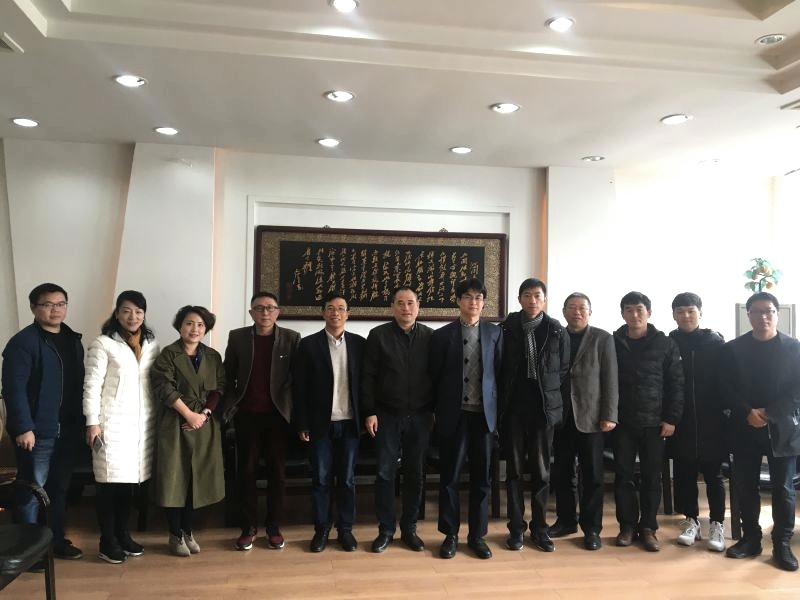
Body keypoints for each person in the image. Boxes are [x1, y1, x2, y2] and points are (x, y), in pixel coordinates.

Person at [2, 283, 85, 564]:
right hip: (37, 432)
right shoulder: (23, 343)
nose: (55, 310)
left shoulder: (73, 340)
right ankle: (29, 552)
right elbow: (13, 389)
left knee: (58, 490)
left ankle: (56, 540)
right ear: (34, 308)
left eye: (60, 304)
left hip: (68, 430)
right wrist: (23, 427)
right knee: (31, 491)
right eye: (48, 304)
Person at [721, 292, 800, 571]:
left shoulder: (794, 348)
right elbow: (724, 386)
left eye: (769, 311)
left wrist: (770, 413)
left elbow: (797, 389)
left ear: (777, 314)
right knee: (745, 485)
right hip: (744, 426)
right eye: (756, 311)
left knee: (783, 488)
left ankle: (782, 543)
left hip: (783, 427)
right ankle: (751, 538)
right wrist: (747, 412)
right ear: (749, 315)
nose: (763, 316)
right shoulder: (733, 349)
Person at [83, 290, 159, 564]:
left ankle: (123, 535)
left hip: (141, 426)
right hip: (110, 425)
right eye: (126, 311)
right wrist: (92, 422)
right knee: (108, 484)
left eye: (138, 311)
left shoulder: (151, 345)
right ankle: (107, 541)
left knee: (129, 485)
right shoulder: (103, 344)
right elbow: (92, 385)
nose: (132, 316)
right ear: (116, 313)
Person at [430, 278, 502, 559]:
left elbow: (499, 372)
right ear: (458, 301)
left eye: (478, 297)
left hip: (484, 417)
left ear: (483, 303)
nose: (473, 302)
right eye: (468, 297)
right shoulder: (442, 335)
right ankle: (450, 535)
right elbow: (434, 377)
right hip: (454, 416)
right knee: (449, 477)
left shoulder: (495, 333)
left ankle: (477, 536)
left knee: (482, 478)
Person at [223, 292, 300, 551]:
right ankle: (248, 527)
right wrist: (231, 406)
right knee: (246, 472)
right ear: (251, 312)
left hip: (278, 417)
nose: (265, 313)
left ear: (278, 312)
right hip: (247, 415)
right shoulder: (238, 337)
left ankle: (274, 526)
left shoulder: (291, 338)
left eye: (270, 308)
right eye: (259, 308)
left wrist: (292, 410)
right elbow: (228, 375)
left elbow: (297, 379)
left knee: (277, 473)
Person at [362, 285, 433, 553]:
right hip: (386, 415)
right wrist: (369, 411)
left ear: (418, 306)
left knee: (415, 473)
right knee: (385, 473)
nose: (406, 308)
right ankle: (385, 530)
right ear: (392, 306)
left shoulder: (430, 337)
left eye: (410, 303)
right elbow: (368, 376)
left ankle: (409, 529)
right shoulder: (378, 335)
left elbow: (437, 376)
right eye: (400, 303)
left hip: (421, 415)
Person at [500, 278, 569, 553]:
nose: (532, 300)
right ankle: (516, 528)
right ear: (519, 299)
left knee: (542, 472)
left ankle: (540, 528)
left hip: (543, 411)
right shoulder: (506, 328)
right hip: (514, 411)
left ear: (545, 299)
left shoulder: (556, 330)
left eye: (537, 295)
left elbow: (562, 369)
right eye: (527, 295)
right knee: (514, 472)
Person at [293, 292, 365, 553]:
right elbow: (299, 387)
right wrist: (302, 423)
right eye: (331, 308)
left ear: (348, 314)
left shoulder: (360, 344)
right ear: (323, 312)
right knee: (321, 480)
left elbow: (366, 385)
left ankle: (345, 530)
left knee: (347, 480)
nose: (336, 313)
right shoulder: (308, 345)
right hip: (320, 424)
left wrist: (368, 414)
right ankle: (321, 530)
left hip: (350, 423)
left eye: (341, 308)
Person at [151, 305, 225, 557]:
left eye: (200, 325)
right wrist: (189, 415)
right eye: (189, 323)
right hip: (175, 422)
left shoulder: (213, 356)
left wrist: (203, 415)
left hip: (204, 424)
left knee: (197, 479)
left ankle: (187, 530)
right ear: (180, 326)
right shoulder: (168, 354)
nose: (195, 329)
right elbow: (164, 387)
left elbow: (219, 389)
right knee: (175, 479)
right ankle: (174, 534)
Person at [613, 291, 683, 552]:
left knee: (652, 477)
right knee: (623, 476)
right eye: (629, 310)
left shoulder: (665, 344)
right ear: (622, 314)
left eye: (639, 310)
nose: (634, 315)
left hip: (655, 423)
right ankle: (627, 526)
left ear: (649, 313)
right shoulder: (613, 342)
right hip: (622, 422)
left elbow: (676, 383)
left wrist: (671, 418)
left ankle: (649, 528)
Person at [548, 292, 618, 551]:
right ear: (564, 311)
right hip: (562, 417)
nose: (577, 312)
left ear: (590, 312)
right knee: (562, 473)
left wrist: (610, 414)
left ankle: (592, 529)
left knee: (593, 475)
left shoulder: (603, 338)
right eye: (572, 307)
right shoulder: (556, 336)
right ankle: (566, 521)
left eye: (582, 308)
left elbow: (611, 379)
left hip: (592, 417)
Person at [668, 292, 726, 552]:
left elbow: (727, 380)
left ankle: (717, 524)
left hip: (712, 419)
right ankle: (691, 521)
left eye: (691, 310)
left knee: (714, 474)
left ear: (700, 313)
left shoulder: (716, 342)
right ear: (673, 315)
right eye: (680, 311)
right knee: (685, 474)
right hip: (681, 420)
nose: (686, 316)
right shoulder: (669, 342)